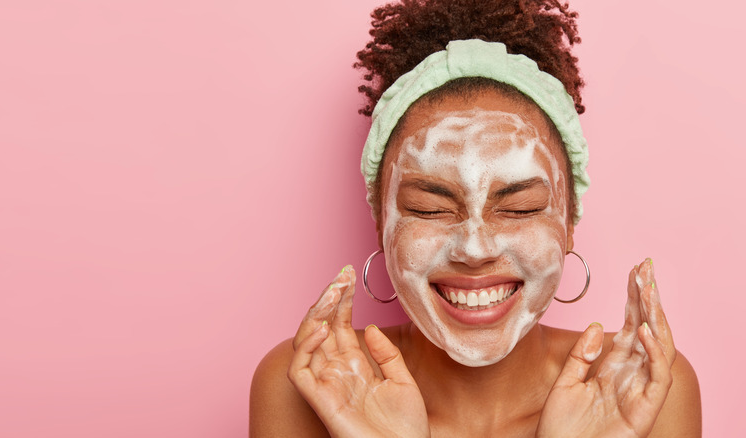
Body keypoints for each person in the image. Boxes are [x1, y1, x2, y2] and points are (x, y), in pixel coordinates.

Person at [249, 0, 702, 436]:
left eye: (519, 208)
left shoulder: (641, 386)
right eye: (430, 209)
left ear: (568, 223)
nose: (475, 248)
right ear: (382, 224)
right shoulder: (307, 384)